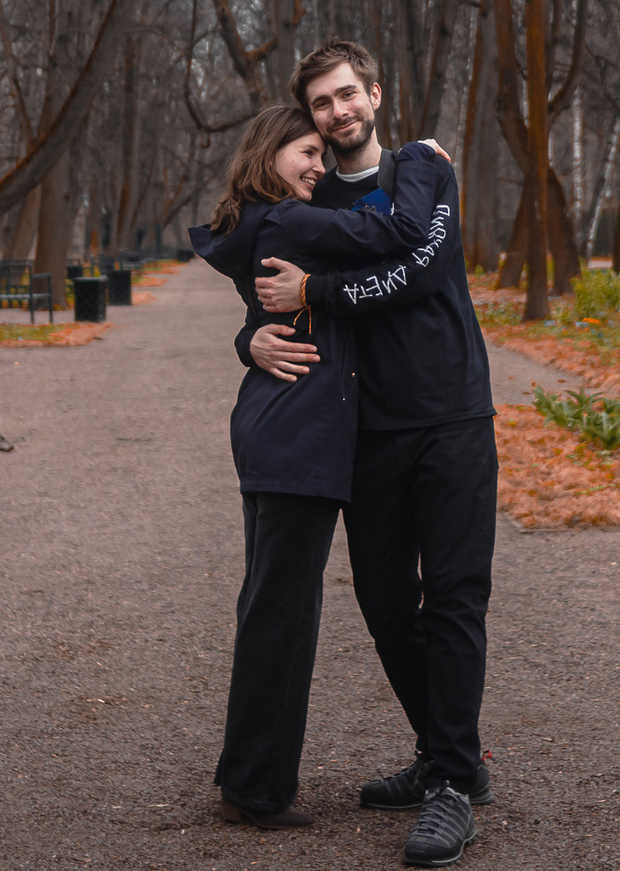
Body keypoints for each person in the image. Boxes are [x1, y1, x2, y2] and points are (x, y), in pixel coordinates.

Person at [247, 38, 494, 870]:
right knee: (388, 605)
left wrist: (317, 288)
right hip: (366, 431)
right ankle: (444, 748)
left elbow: (420, 270)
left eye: (348, 95)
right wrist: (252, 339)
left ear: (377, 95)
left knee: (455, 598)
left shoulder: (424, 169)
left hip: (453, 416)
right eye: (322, 104)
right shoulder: (305, 199)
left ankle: (454, 784)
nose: (338, 112)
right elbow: (260, 289)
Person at [189, 105, 458, 833]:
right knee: (281, 614)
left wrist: (249, 339)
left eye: (318, 153)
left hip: (292, 432)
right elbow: (393, 231)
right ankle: (255, 787)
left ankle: (254, 778)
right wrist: (428, 162)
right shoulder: (283, 221)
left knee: (275, 608)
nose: (315, 165)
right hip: (295, 436)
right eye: (304, 151)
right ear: (268, 153)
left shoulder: (272, 220)